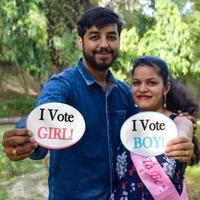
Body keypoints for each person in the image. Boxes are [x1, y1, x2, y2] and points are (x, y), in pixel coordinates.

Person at [2, 8, 194, 200]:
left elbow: (160, 119)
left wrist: (184, 132)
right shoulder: (63, 85)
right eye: (95, 36)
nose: (104, 44)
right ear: (80, 42)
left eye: (111, 36)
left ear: (119, 41)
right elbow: (44, 115)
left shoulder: (125, 93)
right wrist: (25, 137)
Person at [111, 55, 199, 200]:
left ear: (165, 88)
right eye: (136, 83)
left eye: (151, 83)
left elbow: (184, 132)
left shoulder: (180, 120)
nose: (142, 89)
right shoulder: (126, 123)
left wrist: (183, 141)